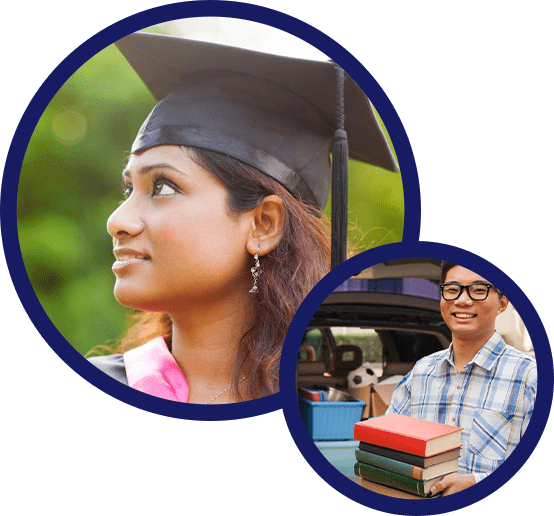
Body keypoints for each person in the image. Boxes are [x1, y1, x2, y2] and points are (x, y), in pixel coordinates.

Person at [87, 31, 398, 404]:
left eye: (162, 187)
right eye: (128, 190)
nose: (118, 220)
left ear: (263, 224)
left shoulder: (344, 404)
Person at [386, 261, 537, 495]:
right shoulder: (420, 373)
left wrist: (478, 483)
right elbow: (386, 445)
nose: (462, 300)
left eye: (478, 290)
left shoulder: (529, 378)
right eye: (452, 289)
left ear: (502, 303)